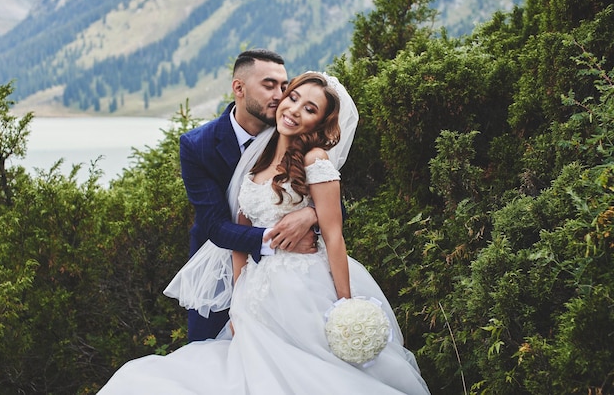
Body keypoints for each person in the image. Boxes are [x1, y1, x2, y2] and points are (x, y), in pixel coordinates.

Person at [99, 73, 430, 394]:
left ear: (319, 123)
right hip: (256, 292)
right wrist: (237, 300)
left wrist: (345, 304)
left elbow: (334, 235)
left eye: (310, 109)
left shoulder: (315, 159)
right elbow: (239, 235)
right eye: (294, 98)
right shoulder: (257, 158)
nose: (295, 110)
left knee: (311, 372)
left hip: (306, 286)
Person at [178, 49, 318, 341]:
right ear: (239, 88)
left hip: (288, 279)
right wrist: (278, 241)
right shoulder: (197, 146)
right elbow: (215, 225)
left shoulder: (294, 136)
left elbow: (333, 205)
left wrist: (310, 214)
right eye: (269, 85)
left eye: (284, 86)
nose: (280, 95)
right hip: (216, 272)